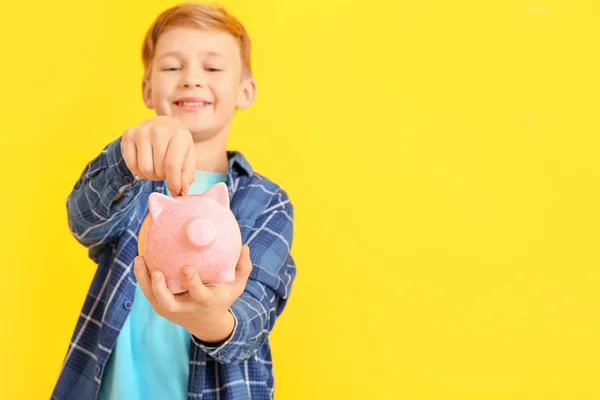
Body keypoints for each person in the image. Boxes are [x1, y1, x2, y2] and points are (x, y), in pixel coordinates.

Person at [51, 3, 296, 399]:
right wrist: (125, 156)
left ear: (244, 91)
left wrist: (212, 318)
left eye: (213, 68)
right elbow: (84, 220)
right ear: (148, 90)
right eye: (171, 67)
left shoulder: (267, 202)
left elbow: (253, 319)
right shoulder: (131, 184)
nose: (191, 80)